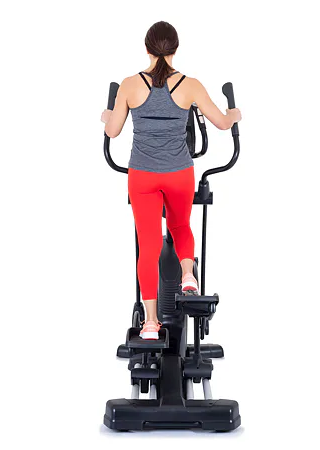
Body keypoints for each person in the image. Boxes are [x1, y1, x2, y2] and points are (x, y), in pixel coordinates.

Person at [101, 21, 242, 339]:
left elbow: (113, 131)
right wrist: (233, 114)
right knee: (180, 227)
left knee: (149, 245)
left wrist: (107, 117)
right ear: (175, 49)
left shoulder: (129, 85)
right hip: (179, 174)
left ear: (146, 48)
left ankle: (151, 323)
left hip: (143, 176)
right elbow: (222, 123)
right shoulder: (190, 85)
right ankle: (188, 275)